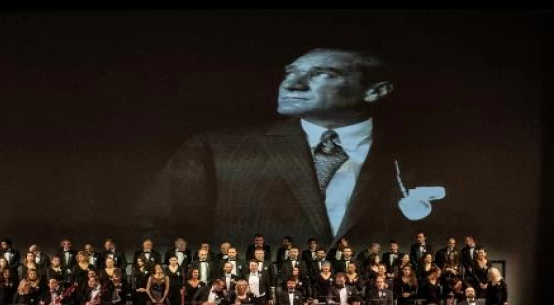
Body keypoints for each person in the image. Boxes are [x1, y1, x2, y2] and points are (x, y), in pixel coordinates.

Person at [134, 48, 444, 248]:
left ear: (376, 91)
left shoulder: (421, 159)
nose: (292, 84)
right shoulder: (212, 151)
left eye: (322, 74)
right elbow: (156, 234)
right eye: (290, 72)